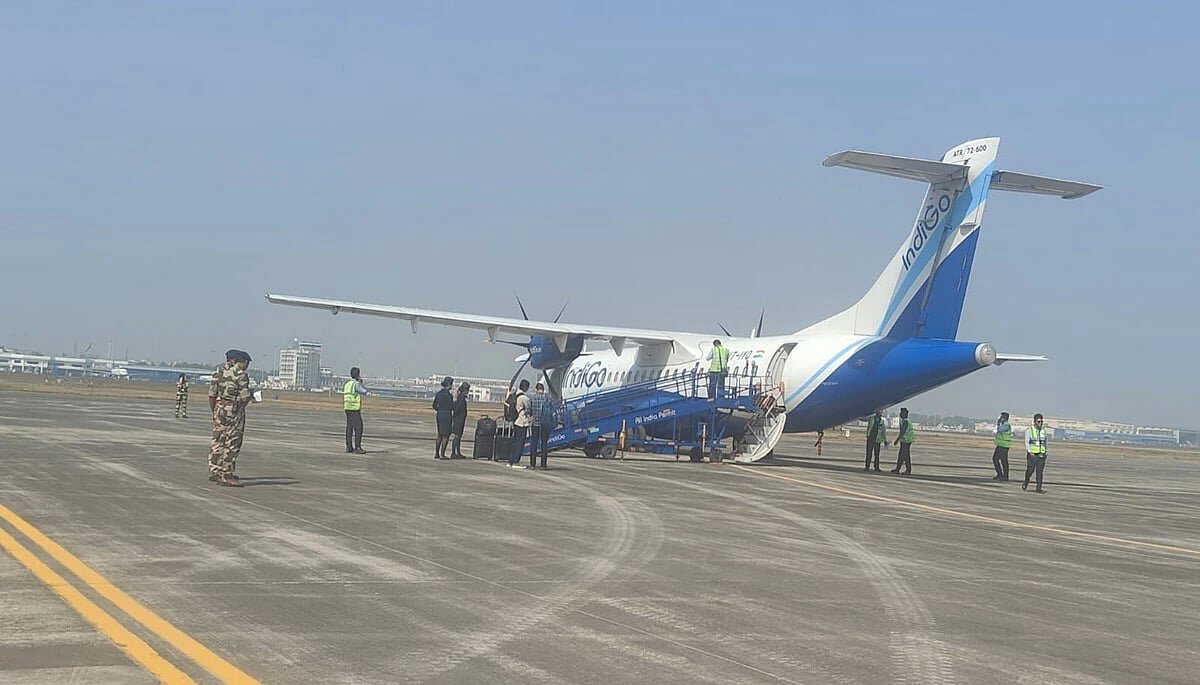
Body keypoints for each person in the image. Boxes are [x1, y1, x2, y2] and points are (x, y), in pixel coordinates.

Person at [208, 349, 253, 486]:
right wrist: (243, 405)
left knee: (218, 440)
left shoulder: (218, 373)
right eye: (246, 363)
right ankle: (226, 474)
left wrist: (215, 411)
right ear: (242, 362)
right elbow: (245, 397)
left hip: (219, 408)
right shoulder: (241, 375)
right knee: (232, 443)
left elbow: (211, 395)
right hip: (234, 410)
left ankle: (215, 470)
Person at [528, 382, 555, 468]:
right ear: (543, 389)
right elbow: (552, 411)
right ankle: (543, 464)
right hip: (545, 424)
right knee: (544, 444)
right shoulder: (548, 398)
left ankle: (532, 464)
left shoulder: (532, 398)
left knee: (534, 444)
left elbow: (529, 411)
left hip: (535, 424)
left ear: (536, 389)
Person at [342, 367, 369, 454]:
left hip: (347, 407)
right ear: (357, 375)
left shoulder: (347, 384)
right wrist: (361, 383)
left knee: (349, 427)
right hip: (354, 408)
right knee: (358, 427)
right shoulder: (355, 384)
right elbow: (364, 391)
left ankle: (349, 447)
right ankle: (357, 447)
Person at [1023, 413, 1049, 493]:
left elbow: (1045, 442)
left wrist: (1046, 452)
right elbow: (1027, 442)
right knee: (1030, 470)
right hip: (1032, 455)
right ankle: (1026, 482)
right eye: (1038, 421)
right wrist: (1030, 452)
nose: (1040, 423)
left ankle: (1038, 488)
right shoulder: (1029, 430)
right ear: (1034, 422)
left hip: (1042, 455)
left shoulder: (1043, 431)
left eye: (1041, 421)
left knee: (1039, 472)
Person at [510, 379, 532, 468]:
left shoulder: (514, 395)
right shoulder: (524, 398)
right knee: (520, 442)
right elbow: (529, 409)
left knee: (515, 441)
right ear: (525, 387)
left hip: (515, 421)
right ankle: (516, 460)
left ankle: (511, 459)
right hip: (522, 422)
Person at [432, 376, 454, 459]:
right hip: (447, 415)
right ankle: (442, 454)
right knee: (446, 436)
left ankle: (437, 453)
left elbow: (434, 405)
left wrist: (439, 409)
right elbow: (452, 406)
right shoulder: (449, 395)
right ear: (449, 385)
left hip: (439, 414)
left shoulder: (439, 394)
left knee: (439, 435)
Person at [450, 382, 470, 458]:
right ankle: (454, 453)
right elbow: (457, 409)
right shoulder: (461, 398)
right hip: (459, 420)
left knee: (458, 436)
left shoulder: (460, 397)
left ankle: (457, 452)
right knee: (457, 436)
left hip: (459, 419)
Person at [891, 408, 914, 475]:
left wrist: (897, 440)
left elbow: (902, 432)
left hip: (906, 441)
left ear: (904, 414)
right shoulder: (904, 421)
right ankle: (897, 469)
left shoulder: (906, 421)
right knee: (901, 455)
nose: (900, 414)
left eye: (901, 413)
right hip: (904, 440)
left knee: (905, 456)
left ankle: (908, 470)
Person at [992, 411, 1013, 480]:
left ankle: (1005, 476)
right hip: (1000, 445)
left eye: (1001, 417)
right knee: (995, 459)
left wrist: (998, 422)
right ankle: (1000, 474)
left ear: (1003, 418)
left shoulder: (1006, 425)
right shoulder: (1003, 424)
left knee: (1003, 460)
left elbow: (1000, 429)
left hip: (1004, 445)